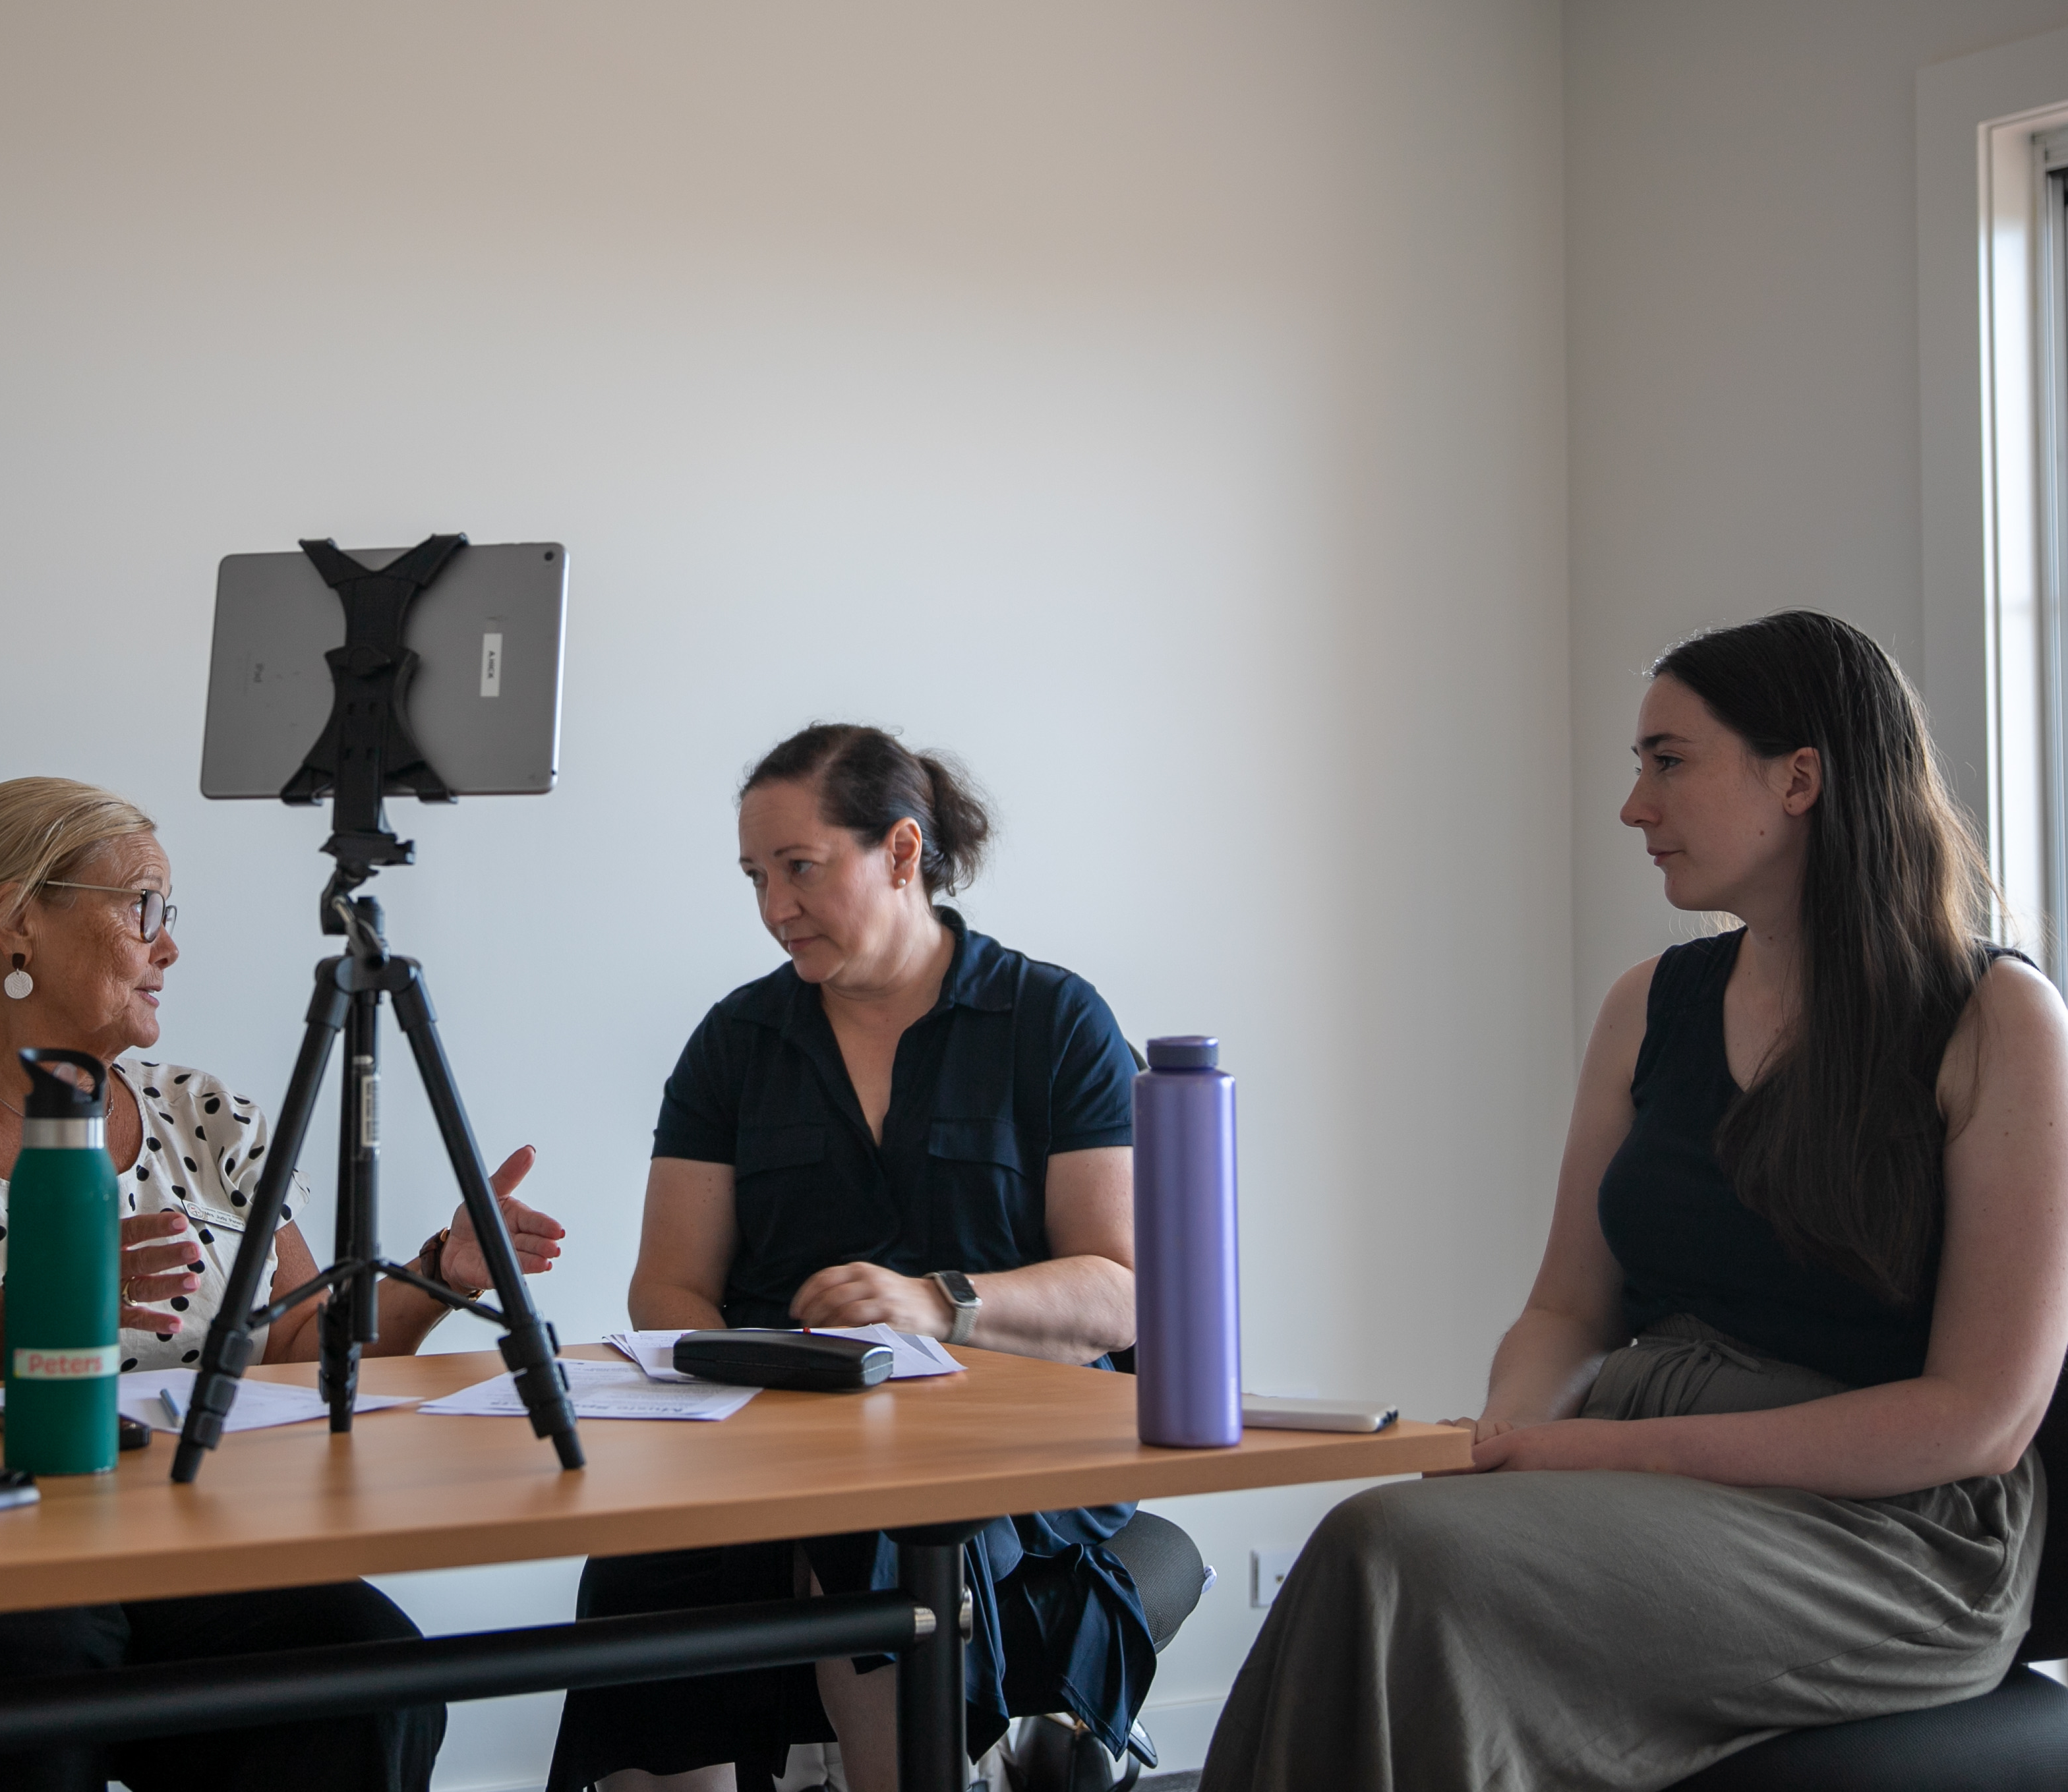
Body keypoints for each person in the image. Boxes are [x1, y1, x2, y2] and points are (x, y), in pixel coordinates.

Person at [1201, 611, 2068, 1791]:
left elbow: (1980, 1418)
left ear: (1800, 778)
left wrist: (1604, 1456)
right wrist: (1508, 1440)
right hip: (1638, 1459)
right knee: (1407, 1542)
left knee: (1396, 1553)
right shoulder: (1648, 1004)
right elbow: (1567, 1310)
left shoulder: (1998, 1022)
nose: (1633, 807)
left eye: (1669, 761)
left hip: (1889, 1533)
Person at [0, 776, 568, 1792]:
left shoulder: (207, 1115)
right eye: (143, 908)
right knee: (30, 1675)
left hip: (189, 1545)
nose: (168, 946)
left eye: (168, 914)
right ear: (19, 924)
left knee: (368, 1669)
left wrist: (441, 1274)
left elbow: (306, 1347)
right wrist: (13, 1324)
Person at [548, 724, 1165, 1792]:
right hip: (776, 1432)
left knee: (867, 1535)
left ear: (902, 852)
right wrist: (743, 1376)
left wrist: (939, 1303)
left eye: (800, 867)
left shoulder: (1053, 1021)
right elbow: (670, 1286)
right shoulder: (737, 1041)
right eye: (755, 876)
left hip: (1007, 1443)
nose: (773, 906)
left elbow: (1119, 1291)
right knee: (646, 1566)